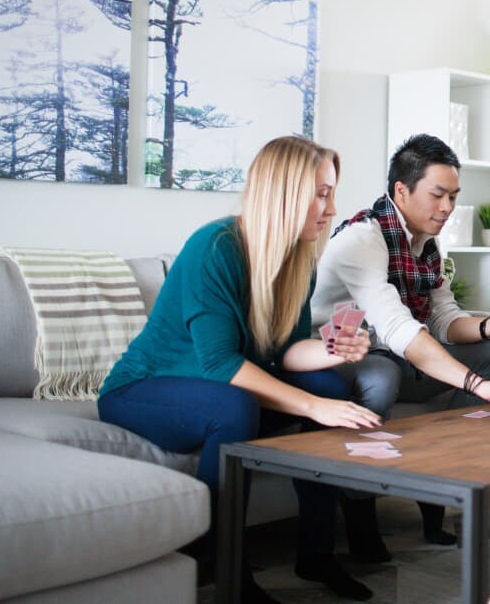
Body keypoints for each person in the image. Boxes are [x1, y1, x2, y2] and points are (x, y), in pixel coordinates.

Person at [98, 136, 379, 603]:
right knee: (236, 407)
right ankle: (222, 564)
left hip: (215, 387)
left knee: (331, 385)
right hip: (142, 389)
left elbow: (288, 350)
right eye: (322, 193)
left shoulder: (298, 258)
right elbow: (220, 363)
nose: (331, 208)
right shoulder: (215, 247)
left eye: (331, 193)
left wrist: (336, 350)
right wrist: (313, 406)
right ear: (285, 193)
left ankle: (317, 554)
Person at [311, 133, 490, 562]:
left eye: (453, 196)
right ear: (401, 190)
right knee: (383, 375)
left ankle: (446, 487)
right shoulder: (364, 238)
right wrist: (473, 383)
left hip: (398, 352)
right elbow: (400, 329)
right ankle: (360, 515)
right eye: (438, 195)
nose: (448, 208)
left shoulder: (427, 243)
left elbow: (442, 319)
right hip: (341, 357)